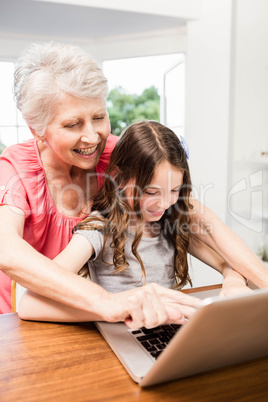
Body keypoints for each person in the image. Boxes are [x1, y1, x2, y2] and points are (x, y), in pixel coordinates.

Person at [0, 42, 267, 325]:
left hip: (100, 320)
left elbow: (194, 216)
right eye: (72, 125)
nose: (93, 137)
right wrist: (109, 302)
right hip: (22, 320)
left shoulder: (115, 156)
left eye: (99, 117)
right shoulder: (17, 169)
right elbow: (6, 251)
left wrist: (248, 278)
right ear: (37, 130)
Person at [17, 121, 259, 324]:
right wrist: (110, 311)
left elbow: (230, 262)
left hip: (170, 329)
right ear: (118, 178)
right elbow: (29, 304)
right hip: (122, 337)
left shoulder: (171, 222)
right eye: (151, 192)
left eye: (174, 190)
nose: (163, 204)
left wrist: (233, 281)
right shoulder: (100, 229)